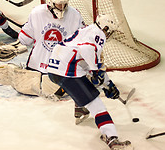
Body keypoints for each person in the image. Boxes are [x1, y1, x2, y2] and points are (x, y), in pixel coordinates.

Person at [47, 14, 132, 150]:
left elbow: (89, 65)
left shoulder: (86, 31)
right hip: (68, 71)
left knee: (87, 82)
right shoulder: (99, 35)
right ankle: (112, 139)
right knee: (97, 104)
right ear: (105, 28)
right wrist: (96, 72)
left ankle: (80, 109)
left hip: (53, 70)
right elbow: (87, 50)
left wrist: (108, 85)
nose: (109, 35)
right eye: (109, 31)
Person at [17, 0, 89, 121]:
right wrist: (17, 45)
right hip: (37, 65)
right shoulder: (37, 12)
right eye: (58, 4)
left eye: (63, 4)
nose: (61, 7)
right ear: (50, 3)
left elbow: (83, 39)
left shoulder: (74, 14)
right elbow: (24, 39)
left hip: (60, 67)